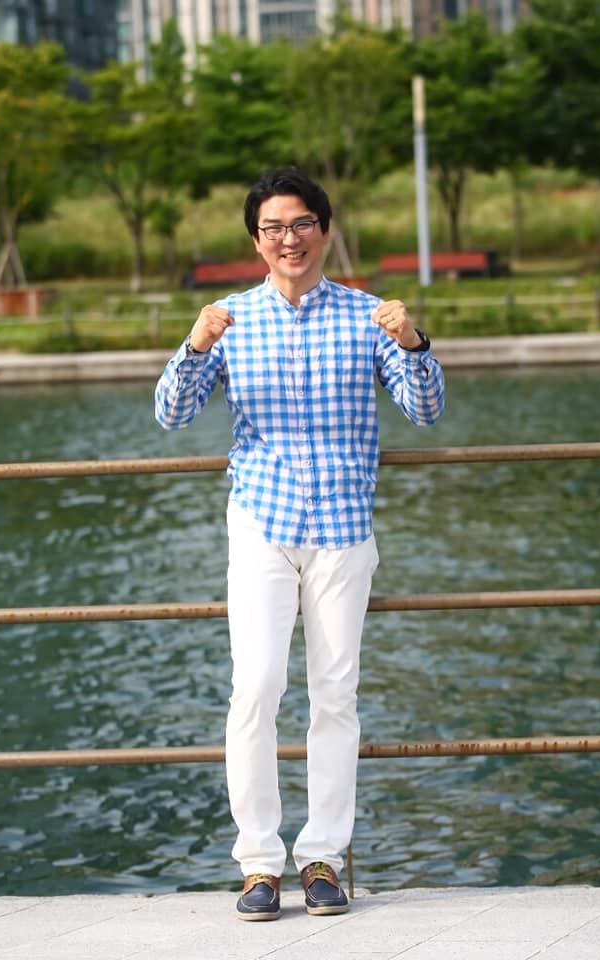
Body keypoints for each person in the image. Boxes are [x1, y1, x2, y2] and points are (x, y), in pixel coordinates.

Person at [154, 166, 445, 921]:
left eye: (302, 223)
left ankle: (321, 858)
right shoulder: (229, 320)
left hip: (344, 528)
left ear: (325, 229)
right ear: (256, 240)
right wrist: (193, 345)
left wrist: (413, 343)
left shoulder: (367, 316)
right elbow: (171, 415)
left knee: (334, 695)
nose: (290, 239)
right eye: (273, 228)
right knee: (255, 688)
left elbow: (425, 411)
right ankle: (258, 864)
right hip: (262, 523)